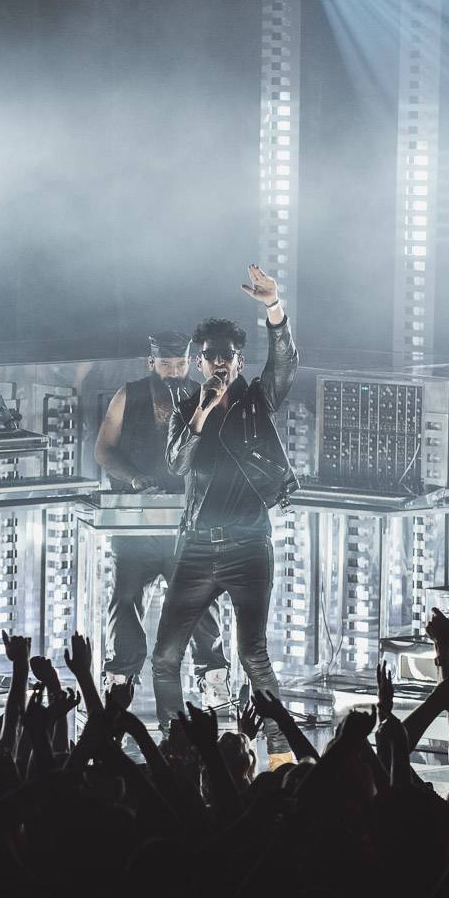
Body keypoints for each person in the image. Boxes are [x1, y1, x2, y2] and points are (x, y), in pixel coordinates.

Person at [153, 264, 299, 769]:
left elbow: (285, 364)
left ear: (239, 361)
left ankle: (280, 756)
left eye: (227, 356)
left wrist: (273, 307)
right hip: (196, 547)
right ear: (198, 362)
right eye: (210, 355)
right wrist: (202, 410)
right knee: (165, 656)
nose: (219, 362)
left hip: (248, 546)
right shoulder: (184, 410)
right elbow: (177, 464)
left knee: (253, 654)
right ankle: (176, 749)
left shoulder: (258, 401)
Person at [93, 332, 230, 704]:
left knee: (201, 600)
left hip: (186, 524)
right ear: (151, 363)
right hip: (136, 523)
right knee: (125, 598)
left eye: (180, 364)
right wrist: (134, 478)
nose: (173, 371)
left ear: (190, 364)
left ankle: (213, 678)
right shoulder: (129, 395)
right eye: (166, 364)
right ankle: (120, 678)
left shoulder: (203, 397)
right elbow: (104, 451)